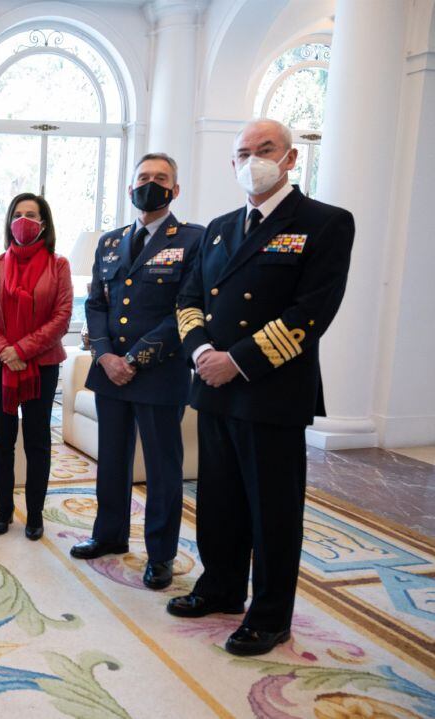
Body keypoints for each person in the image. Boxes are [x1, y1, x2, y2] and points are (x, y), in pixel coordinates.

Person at [167, 119, 354, 656]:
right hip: (213, 385)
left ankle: (271, 616)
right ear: (232, 164)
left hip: (270, 390)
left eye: (265, 149)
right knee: (218, 498)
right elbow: (189, 298)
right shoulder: (221, 227)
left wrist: (238, 361)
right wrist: (202, 353)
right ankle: (221, 587)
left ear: (291, 158)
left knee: (272, 510)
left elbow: (311, 313)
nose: (254, 160)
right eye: (243, 153)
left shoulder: (324, 223)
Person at [70, 154, 204, 590]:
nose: (151, 184)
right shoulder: (110, 242)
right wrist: (107, 356)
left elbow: (186, 307)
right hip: (110, 372)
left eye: (160, 178)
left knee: (164, 468)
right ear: (130, 189)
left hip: (160, 373)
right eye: (143, 178)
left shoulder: (191, 240)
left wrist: (136, 359)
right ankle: (109, 536)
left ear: (175, 189)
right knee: (111, 460)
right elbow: (96, 304)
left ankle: (161, 555)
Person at [0, 193, 72, 540]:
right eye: (18, 214)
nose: (24, 220)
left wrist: (22, 349)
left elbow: (62, 318)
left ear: (43, 223)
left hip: (42, 365)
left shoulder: (58, 265)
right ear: (9, 222)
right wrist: (5, 350)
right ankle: (4, 509)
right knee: (2, 440)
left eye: (31, 214)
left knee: (37, 440)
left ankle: (34, 514)